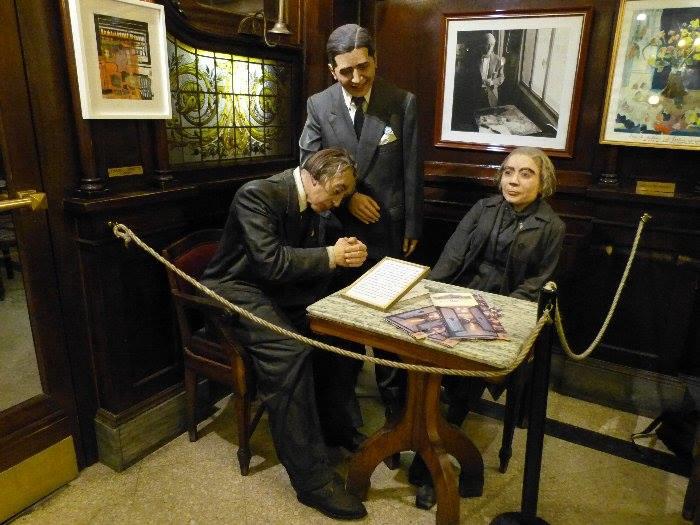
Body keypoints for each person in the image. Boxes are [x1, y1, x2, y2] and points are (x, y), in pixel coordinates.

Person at [200, 148, 369, 520]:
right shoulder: (257, 194)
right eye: (337, 192)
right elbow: (271, 262)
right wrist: (332, 255)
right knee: (289, 352)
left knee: (339, 333)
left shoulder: (313, 203)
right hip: (235, 289)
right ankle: (312, 481)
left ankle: (338, 428)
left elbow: (300, 259)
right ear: (312, 176)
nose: (338, 202)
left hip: (274, 288)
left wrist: (346, 254)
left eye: (344, 195)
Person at [408, 146, 565, 509]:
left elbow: (537, 284)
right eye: (508, 172)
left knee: (464, 378)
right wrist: (428, 295)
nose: (514, 180)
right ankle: (420, 435)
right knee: (418, 356)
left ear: (543, 182)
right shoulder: (483, 208)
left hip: (504, 313)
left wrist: (494, 314)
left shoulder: (552, 227)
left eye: (526, 173)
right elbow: (452, 256)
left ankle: (430, 464)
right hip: (459, 299)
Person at [299, 23, 422, 426]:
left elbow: (412, 168)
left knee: (390, 334)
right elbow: (308, 164)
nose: (356, 78)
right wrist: (348, 197)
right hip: (340, 232)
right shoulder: (319, 105)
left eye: (363, 67)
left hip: (388, 231)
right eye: (346, 71)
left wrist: (413, 225)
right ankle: (344, 420)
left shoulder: (401, 101)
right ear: (332, 70)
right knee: (343, 332)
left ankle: (397, 421)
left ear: (375, 60)